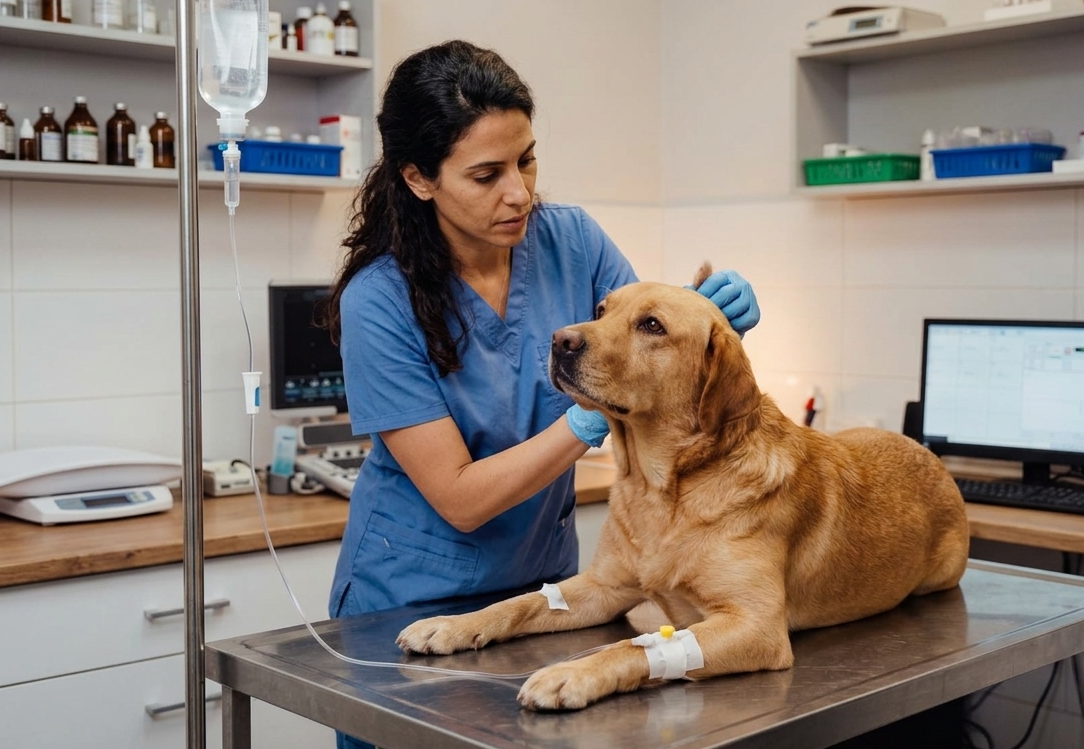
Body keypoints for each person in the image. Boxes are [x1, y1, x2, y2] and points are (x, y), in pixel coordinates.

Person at [324, 40, 759, 748]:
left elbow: (646, 354)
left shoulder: (571, 239)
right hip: (409, 603)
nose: (519, 192)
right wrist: (588, 420)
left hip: (548, 597)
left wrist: (705, 321)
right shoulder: (379, 301)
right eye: (487, 174)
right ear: (419, 177)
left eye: (526, 160)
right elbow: (460, 497)